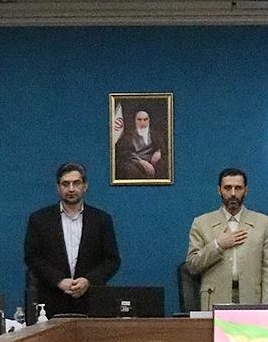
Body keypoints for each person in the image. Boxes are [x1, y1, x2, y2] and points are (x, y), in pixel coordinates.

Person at [24, 162, 121, 316]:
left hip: (91, 301)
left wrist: (88, 281)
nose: (71, 189)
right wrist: (59, 281)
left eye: (76, 183)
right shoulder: (39, 219)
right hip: (51, 301)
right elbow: (32, 257)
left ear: (85, 186)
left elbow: (112, 260)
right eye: (65, 184)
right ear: (58, 187)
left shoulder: (101, 220)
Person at [184, 167, 268, 307]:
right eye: (227, 188)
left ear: (246, 190)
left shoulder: (263, 223)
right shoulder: (202, 223)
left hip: (251, 299)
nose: (233, 193)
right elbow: (192, 266)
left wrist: (267, 308)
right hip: (214, 299)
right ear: (219, 190)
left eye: (238, 188)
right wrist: (218, 245)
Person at [114, 109, 164, 181]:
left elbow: (162, 147)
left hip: (154, 162)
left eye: (145, 119)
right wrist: (142, 162)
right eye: (139, 120)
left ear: (149, 120)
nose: (142, 123)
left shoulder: (155, 134)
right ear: (135, 121)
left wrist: (158, 152)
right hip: (136, 162)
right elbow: (127, 153)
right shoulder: (128, 136)